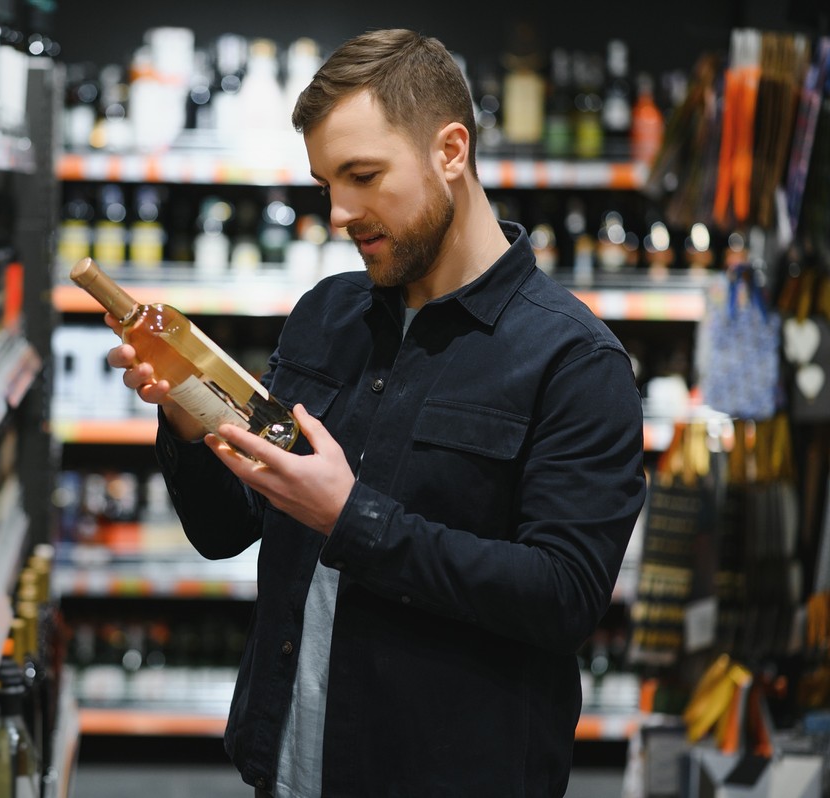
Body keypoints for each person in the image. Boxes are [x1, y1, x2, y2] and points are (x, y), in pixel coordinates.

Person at [104, 28, 645, 798]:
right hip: (284, 770)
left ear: (450, 151)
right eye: (327, 183)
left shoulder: (575, 362)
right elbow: (226, 531)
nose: (339, 212)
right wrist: (189, 419)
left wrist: (350, 517)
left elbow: (564, 598)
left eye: (362, 175)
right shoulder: (324, 316)